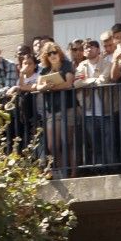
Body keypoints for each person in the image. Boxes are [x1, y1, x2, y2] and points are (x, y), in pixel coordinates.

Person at [35, 41, 77, 176]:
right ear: (45, 56)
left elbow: (69, 84)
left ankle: (73, 172)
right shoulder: (44, 70)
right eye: (49, 53)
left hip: (69, 107)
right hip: (52, 110)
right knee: (52, 145)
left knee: (68, 142)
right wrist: (45, 87)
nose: (52, 55)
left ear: (59, 53)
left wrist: (51, 87)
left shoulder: (67, 65)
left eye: (55, 52)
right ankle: (62, 171)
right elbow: (38, 87)